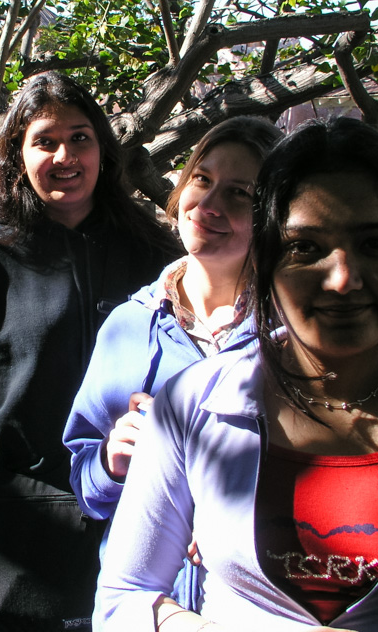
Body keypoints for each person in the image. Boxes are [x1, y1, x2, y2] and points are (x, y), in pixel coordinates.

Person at [96, 117, 378, 631]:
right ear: (267, 261)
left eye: (375, 244)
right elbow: (123, 598)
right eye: (305, 247)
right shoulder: (190, 405)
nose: (343, 279)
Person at [0, 71, 180, 631]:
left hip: (141, 512)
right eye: (44, 140)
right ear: (18, 156)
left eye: (80, 138)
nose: (64, 156)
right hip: (19, 525)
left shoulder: (157, 258)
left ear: (103, 148)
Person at [64, 117, 282, 616]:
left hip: (256, 609)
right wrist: (111, 463)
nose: (207, 206)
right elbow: (86, 484)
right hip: (144, 609)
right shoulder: (130, 325)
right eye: (201, 180)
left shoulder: (294, 337)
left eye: (240, 194)